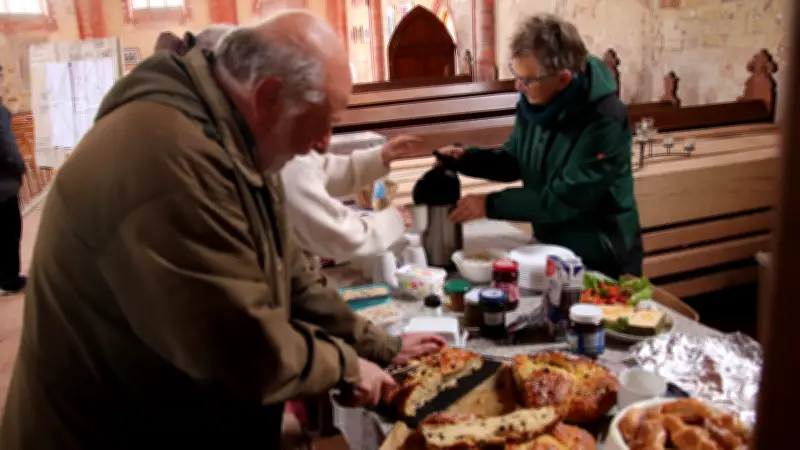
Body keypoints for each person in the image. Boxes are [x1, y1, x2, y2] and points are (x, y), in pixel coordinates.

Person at [0, 11, 445, 449]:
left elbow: (294, 277)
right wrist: (347, 367)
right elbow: (238, 348)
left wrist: (380, 345)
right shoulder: (169, 163)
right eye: (325, 121)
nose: (325, 143)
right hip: (105, 429)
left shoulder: (240, 138)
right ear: (269, 95)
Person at [440, 13, 643, 278]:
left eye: (528, 79)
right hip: (551, 247)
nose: (518, 86)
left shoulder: (604, 118)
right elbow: (516, 159)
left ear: (563, 79)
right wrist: (467, 159)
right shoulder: (535, 103)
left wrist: (488, 204)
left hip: (601, 254)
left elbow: (562, 199)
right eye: (517, 74)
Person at [281, 133, 418, 261]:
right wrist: (392, 221)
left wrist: (381, 157)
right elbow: (341, 237)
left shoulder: (281, 148)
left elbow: (322, 169)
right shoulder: (288, 168)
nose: (326, 139)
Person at [0, 71, 26, 294]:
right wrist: (20, 168)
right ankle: (8, 279)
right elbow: (7, 149)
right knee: (9, 231)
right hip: (3, 186)